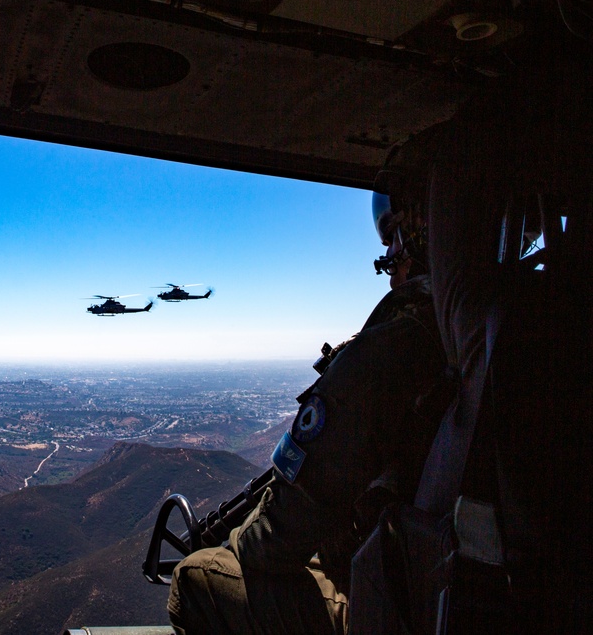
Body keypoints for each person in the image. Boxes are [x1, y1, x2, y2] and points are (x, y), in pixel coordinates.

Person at [167, 128, 450, 635]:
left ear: (418, 232)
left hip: (407, 609)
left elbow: (277, 538)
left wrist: (224, 546)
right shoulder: (518, 336)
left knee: (197, 578)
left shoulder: (395, 348)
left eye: (392, 245)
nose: (389, 269)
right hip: (458, 592)